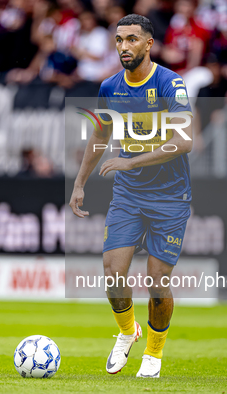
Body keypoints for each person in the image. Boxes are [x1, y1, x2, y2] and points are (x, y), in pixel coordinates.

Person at [69, 14, 193, 378]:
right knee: (112, 272)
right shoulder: (110, 87)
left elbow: (185, 141)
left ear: (148, 44)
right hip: (129, 195)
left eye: (132, 39)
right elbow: (99, 137)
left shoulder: (172, 84)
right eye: (120, 40)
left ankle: (153, 354)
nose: (124, 46)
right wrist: (79, 183)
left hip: (170, 196)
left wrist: (130, 161)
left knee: (157, 283)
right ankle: (127, 332)